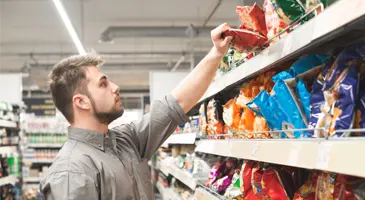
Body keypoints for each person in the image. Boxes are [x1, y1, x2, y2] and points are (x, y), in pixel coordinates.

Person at [39, 23, 233, 200]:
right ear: (81, 102)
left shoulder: (126, 140)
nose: (115, 87)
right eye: (103, 84)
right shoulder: (71, 172)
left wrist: (216, 52)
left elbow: (176, 103)